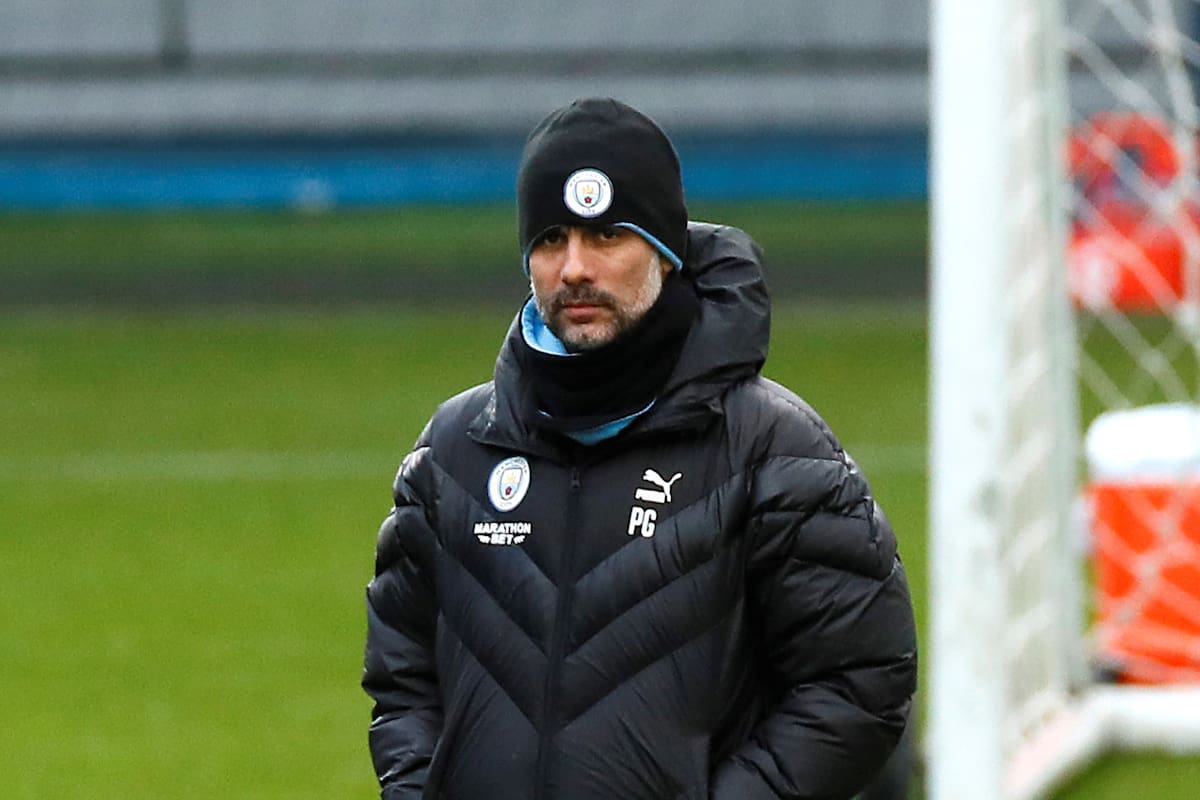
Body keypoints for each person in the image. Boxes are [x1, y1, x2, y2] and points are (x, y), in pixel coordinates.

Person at [362, 97, 918, 800]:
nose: (574, 268)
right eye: (552, 238)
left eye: (606, 236)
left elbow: (862, 681)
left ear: (664, 250)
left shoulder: (774, 448)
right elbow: (401, 676)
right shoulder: (454, 452)